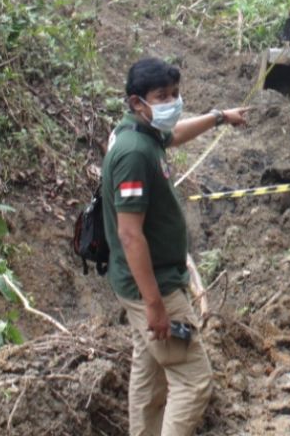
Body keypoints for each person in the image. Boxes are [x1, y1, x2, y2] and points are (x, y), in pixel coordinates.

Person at [101, 57, 247, 436]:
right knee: (194, 380)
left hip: (139, 282)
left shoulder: (141, 132)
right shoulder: (134, 152)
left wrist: (219, 116)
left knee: (149, 373)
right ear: (137, 102)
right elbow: (130, 234)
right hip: (156, 286)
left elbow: (176, 134)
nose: (173, 102)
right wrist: (155, 305)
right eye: (162, 96)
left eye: (176, 94)